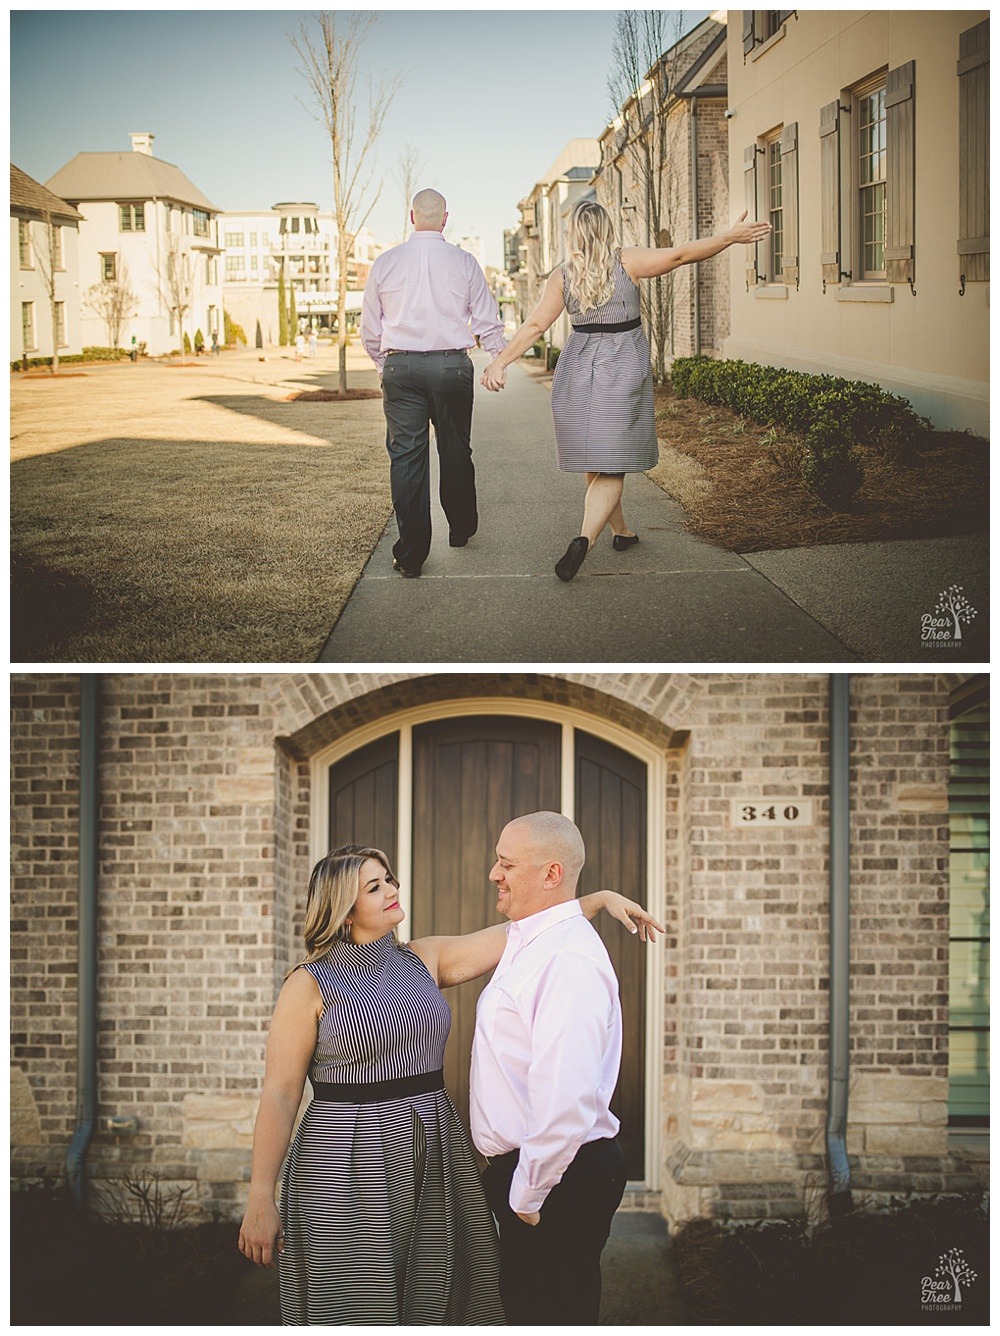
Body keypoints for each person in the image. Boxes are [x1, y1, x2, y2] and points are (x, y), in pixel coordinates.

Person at [237, 843, 662, 1325]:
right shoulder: (307, 984)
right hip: (346, 1158)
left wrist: (598, 898)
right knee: (356, 1294)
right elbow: (280, 1092)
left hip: (434, 1146)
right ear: (343, 909)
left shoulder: (424, 956)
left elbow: (522, 931)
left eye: (390, 879)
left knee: (439, 1290)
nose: (393, 890)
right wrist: (260, 1194)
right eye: (374, 887)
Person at [481, 201, 772, 582]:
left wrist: (500, 362)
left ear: (574, 235)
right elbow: (681, 254)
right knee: (612, 462)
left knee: (595, 453)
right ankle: (584, 539)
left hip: (577, 368)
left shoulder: (563, 276)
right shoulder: (627, 262)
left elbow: (535, 324)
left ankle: (621, 532)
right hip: (621, 367)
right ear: (606, 228)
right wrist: (728, 238)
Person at [470, 811, 634, 1325]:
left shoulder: (566, 960)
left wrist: (527, 1194)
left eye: (506, 863)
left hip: (555, 1179)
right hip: (542, 1175)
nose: (494, 874)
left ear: (551, 875)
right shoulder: (531, 941)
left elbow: (565, 1094)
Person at [360, 189, 507, 578]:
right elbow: (487, 321)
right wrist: (499, 359)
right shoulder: (464, 261)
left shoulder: (386, 263)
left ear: (412, 217)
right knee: (455, 449)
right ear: (445, 219)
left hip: (401, 369)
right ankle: (460, 528)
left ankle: (411, 556)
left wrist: (382, 365)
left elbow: (370, 328)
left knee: (407, 459)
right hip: (451, 368)